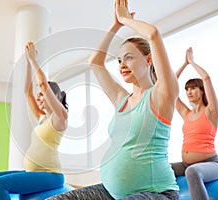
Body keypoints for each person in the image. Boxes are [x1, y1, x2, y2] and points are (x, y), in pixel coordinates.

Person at [47, 0, 179, 199]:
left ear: (148, 60)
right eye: (119, 60)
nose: (122, 65)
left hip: (156, 193)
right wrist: (115, 26)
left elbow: (153, 34)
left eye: (128, 58)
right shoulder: (122, 99)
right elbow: (95, 62)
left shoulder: (161, 95)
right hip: (112, 191)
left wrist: (125, 20)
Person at [0, 41, 68, 200]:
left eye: (42, 95)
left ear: (56, 97)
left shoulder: (60, 117)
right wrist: (27, 62)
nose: (39, 96)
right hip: (32, 172)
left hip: (51, 175)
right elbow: (27, 91)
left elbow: (44, 85)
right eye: (39, 94)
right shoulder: (42, 117)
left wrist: (33, 60)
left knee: (0, 184)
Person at [171, 47, 218, 200]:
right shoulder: (186, 113)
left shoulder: (211, 111)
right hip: (185, 164)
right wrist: (183, 64)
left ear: (202, 91)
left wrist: (191, 62)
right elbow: (171, 86)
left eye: (193, 88)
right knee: (162, 168)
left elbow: (206, 78)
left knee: (192, 172)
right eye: (187, 89)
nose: (188, 92)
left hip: (212, 164)